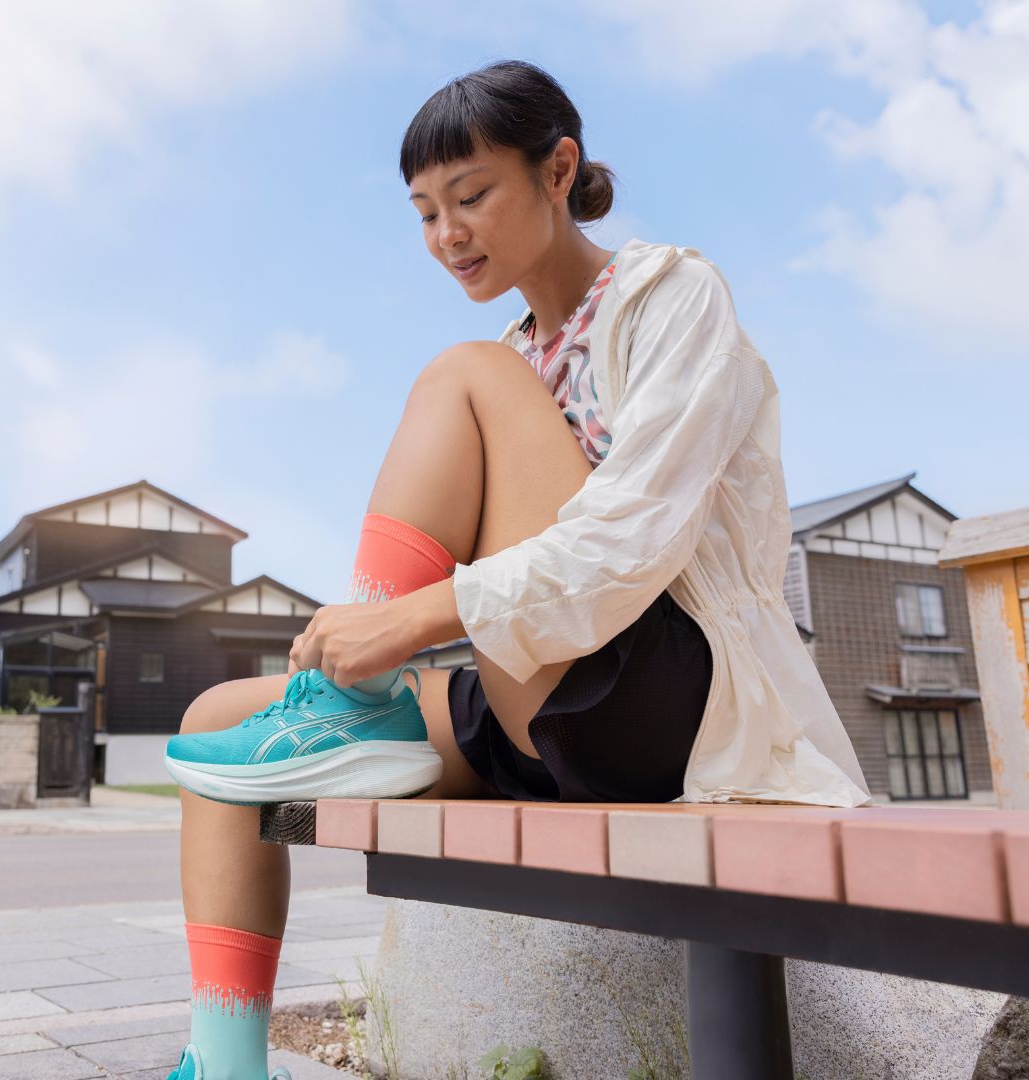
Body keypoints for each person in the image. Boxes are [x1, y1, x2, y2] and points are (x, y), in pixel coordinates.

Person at [162, 60, 871, 1080]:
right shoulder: (519, 350)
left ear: (558, 169)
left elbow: (633, 541)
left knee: (465, 372)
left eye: (471, 195)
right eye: (424, 212)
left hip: (669, 696)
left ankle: (347, 702)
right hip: (545, 693)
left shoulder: (672, 297)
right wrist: (400, 624)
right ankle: (224, 1066)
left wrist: (403, 625)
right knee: (214, 719)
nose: (447, 234)